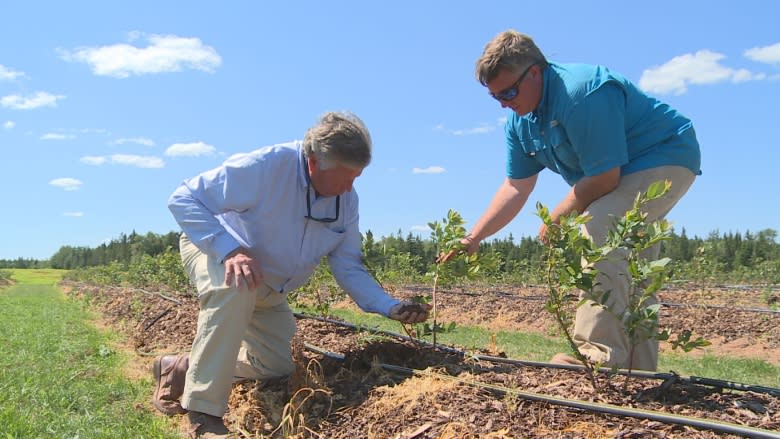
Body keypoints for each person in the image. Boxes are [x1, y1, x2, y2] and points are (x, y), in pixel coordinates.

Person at [155, 111, 431, 438]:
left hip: (270, 286)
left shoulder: (346, 201)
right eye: (346, 177)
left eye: (356, 177)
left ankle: (182, 367)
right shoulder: (265, 167)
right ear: (314, 163)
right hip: (216, 253)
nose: (350, 187)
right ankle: (203, 414)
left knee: (279, 364)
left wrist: (389, 306)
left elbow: (348, 264)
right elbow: (184, 198)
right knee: (237, 286)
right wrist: (230, 249)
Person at [453, 30, 701, 371]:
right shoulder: (521, 122)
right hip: (620, 172)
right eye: (496, 97)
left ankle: (597, 356)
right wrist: (474, 237)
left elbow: (604, 177)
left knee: (600, 227)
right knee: (634, 268)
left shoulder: (581, 93)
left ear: (535, 72)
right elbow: (515, 187)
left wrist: (557, 217)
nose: (504, 103)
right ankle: (639, 372)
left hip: (662, 155)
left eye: (508, 92)